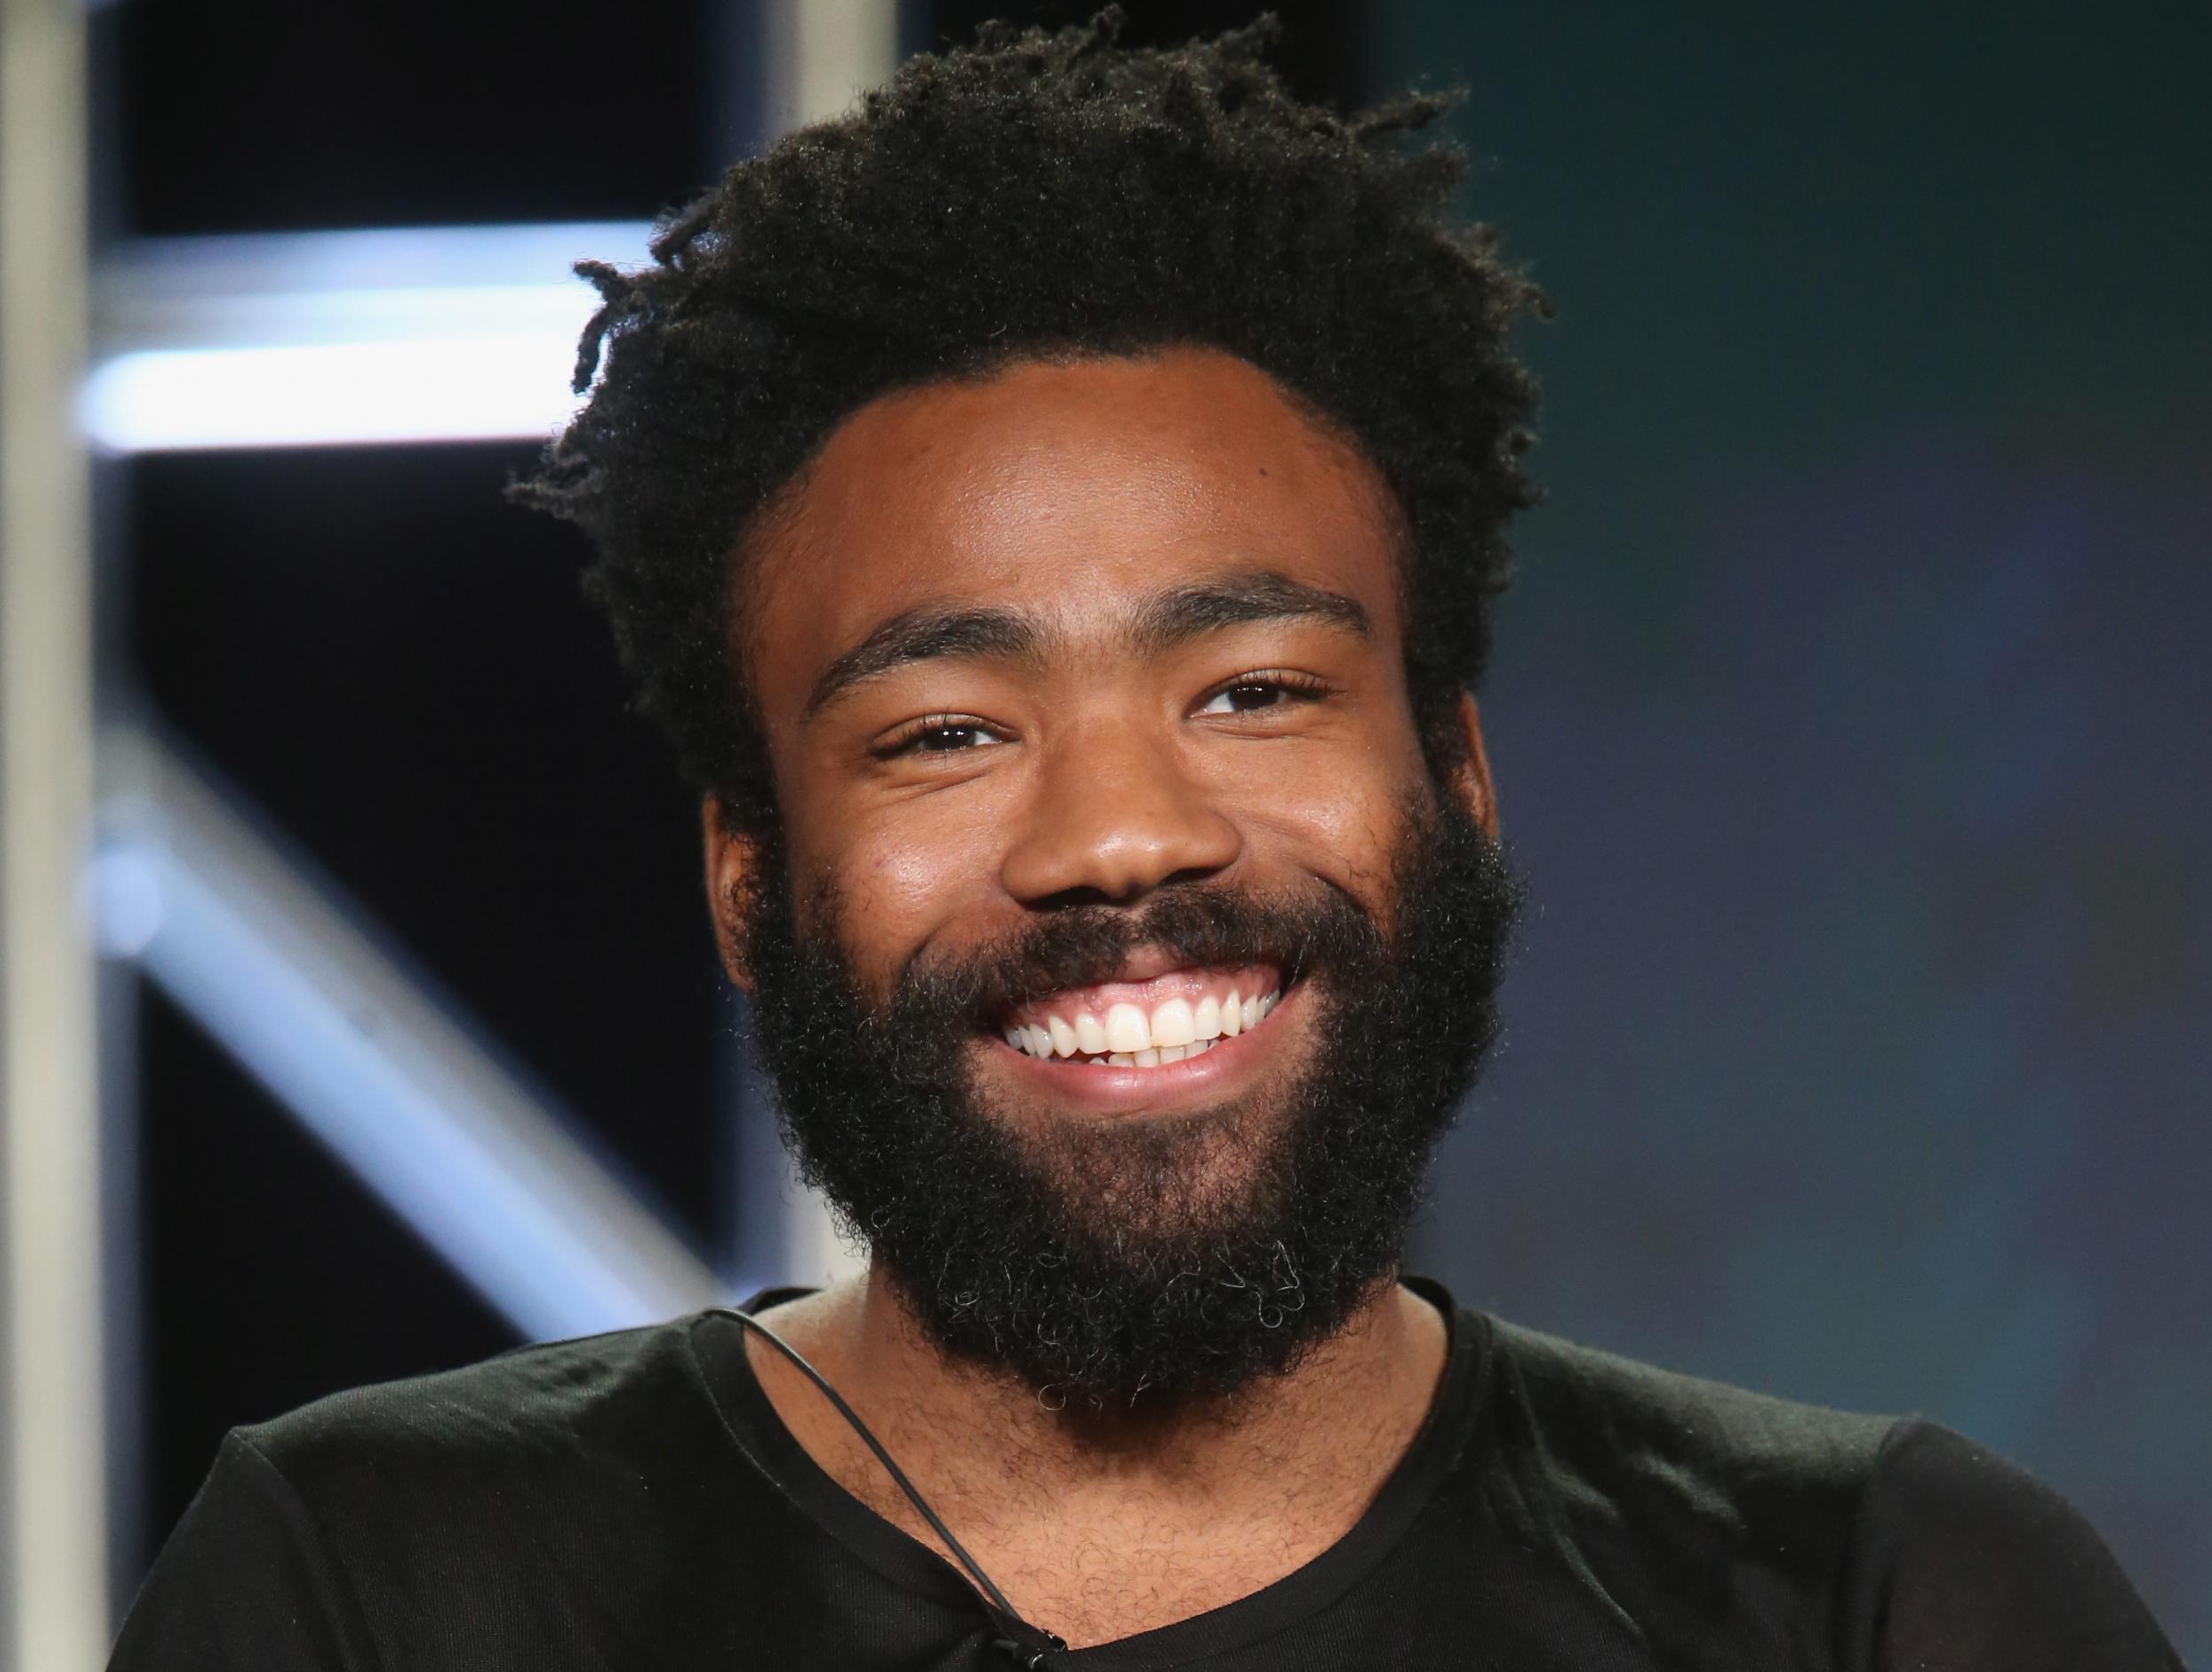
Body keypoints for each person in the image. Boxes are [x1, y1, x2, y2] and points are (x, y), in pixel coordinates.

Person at [110, 12, 2179, 1668]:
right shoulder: (381, 1592)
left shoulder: (1880, 1599)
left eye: (1252, 691)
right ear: (746, 878)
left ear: (1455, 779)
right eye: (944, 729)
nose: (1116, 835)